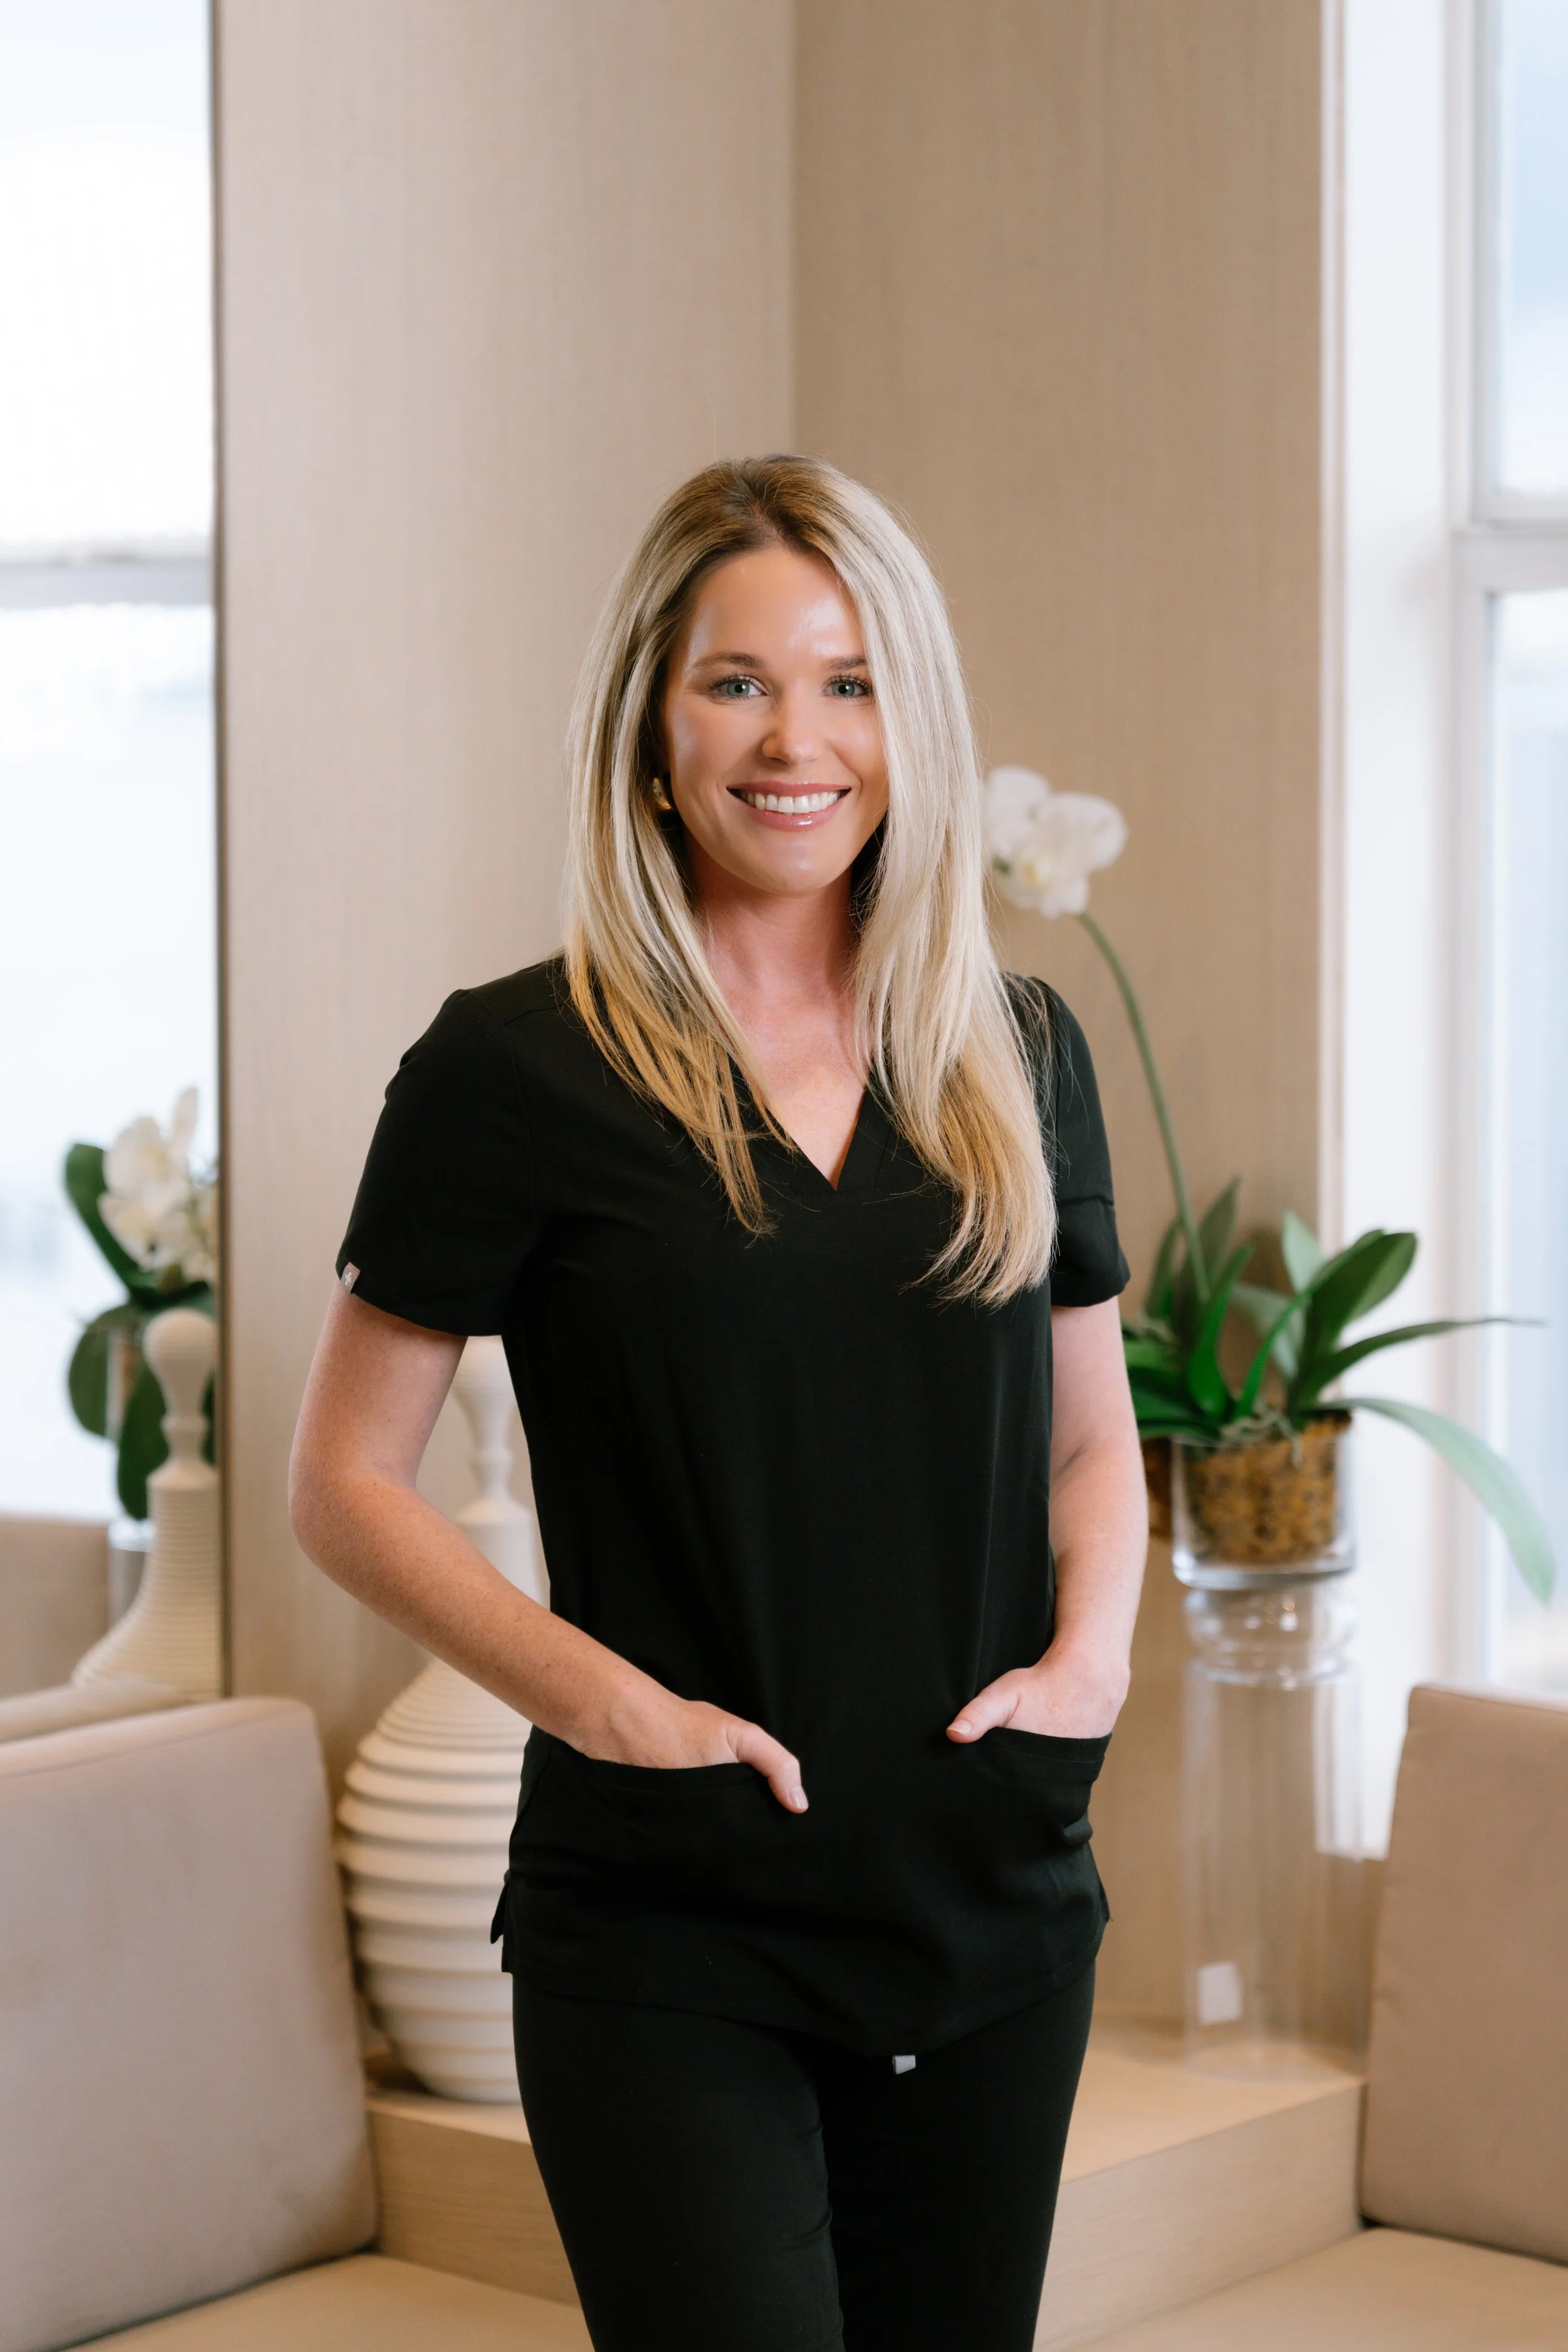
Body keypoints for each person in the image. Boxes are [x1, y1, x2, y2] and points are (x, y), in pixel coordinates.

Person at [290, 454, 1147, 2352]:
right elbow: (344, 1480)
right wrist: (603, 1703)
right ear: (648, 724)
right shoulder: (514, 1065)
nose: (795, 739)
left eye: (846, 681)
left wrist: (1090, 1660)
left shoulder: (1016, 1050)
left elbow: (1092, 1438)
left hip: (991, 1897)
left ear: (908, 722)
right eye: (734, 679)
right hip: (671, 1927)